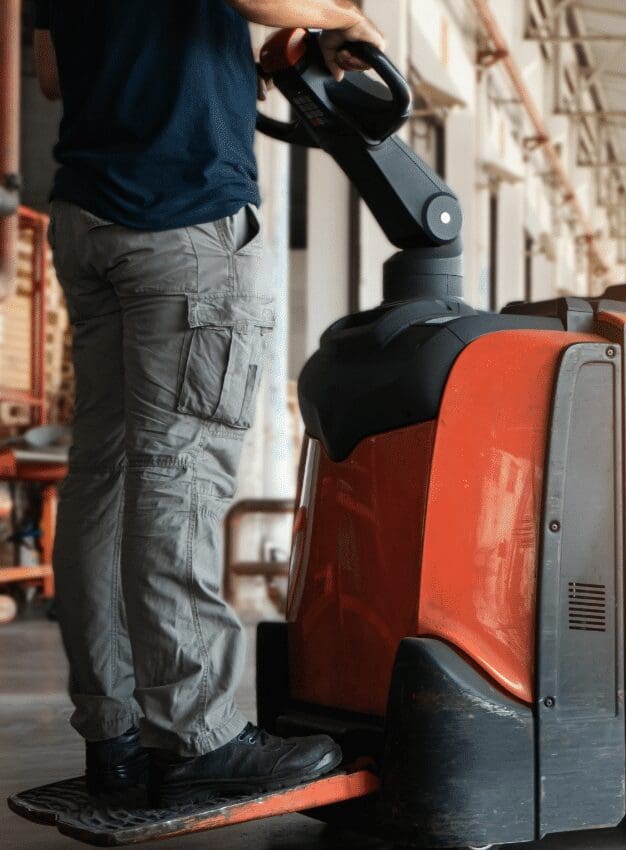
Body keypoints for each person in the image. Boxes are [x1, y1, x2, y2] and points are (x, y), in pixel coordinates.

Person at [33, 0, 384, 806]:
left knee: (106, 477)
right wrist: (339, 16)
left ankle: (113, 734)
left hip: (90, 217)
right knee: (176, 475)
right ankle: (197, 734)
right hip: (181, 213)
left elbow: (57, 73)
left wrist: (223, 67)